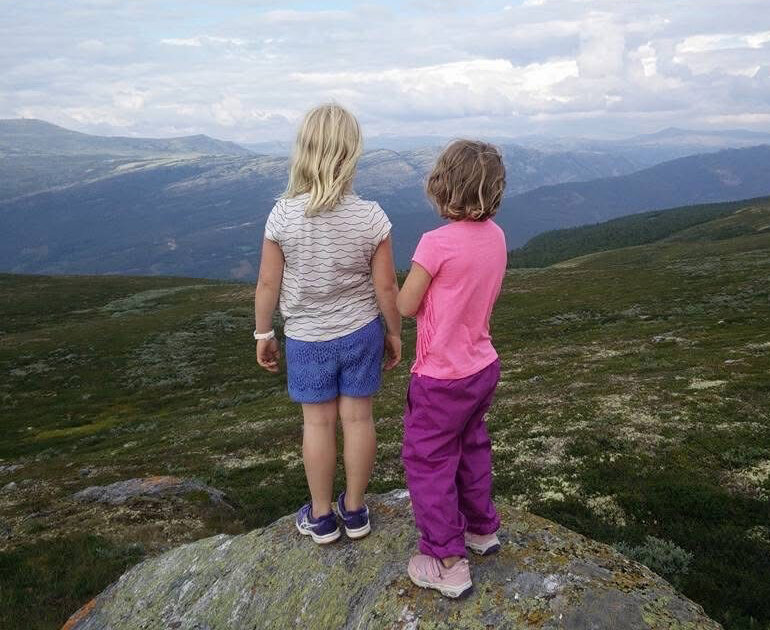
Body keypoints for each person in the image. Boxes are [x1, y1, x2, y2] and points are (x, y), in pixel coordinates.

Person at [254, 104, 401, 544]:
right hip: (361, 332)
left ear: (304, 151)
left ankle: (320, 518)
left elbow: (266, 283)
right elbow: (388, 288)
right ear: (351, 153)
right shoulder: (372, 216)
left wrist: (264, 333)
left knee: (317, 425)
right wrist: (394, 332)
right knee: (358, 421)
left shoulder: (282, 215)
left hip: (306, 338)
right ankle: (355, 511)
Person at [397, 139, 507, 597]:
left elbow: (405, 305)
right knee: (471, 446)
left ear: (442, 186)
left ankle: (446, 560)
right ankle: (482, 529)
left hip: (440, 377)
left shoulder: (434, 244)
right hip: (482, 367)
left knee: (429, 461)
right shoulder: (497, 236)